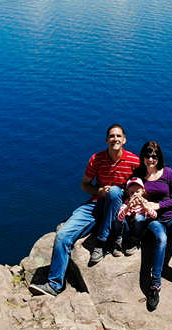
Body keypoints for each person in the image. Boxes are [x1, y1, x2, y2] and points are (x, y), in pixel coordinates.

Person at [29, 123, 139, 297]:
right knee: (63, 236)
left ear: (124, 140)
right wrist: (99, 191)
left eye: (118, 136)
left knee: (116, 192)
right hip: (96, 204)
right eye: (112, 136)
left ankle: (103, 241)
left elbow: (144, 186)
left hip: (118, 209)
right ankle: (55, 284)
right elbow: (84, 184)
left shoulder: (134, 161)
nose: (115, 139)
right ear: (106, 140)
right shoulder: (96, 159)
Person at [127, 140, 172, 311]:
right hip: (153, 218)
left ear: (159, 158)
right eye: (147, 156)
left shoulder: (168, 173)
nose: (150, 159)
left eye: (154, 156)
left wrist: (159, 205)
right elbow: (129, 192)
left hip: (171, 214)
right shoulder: (138, 176)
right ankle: (155, 285)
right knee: (161, 239)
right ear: (142, 157)